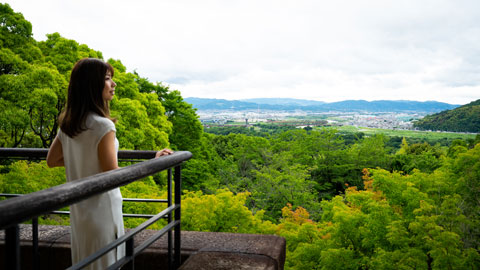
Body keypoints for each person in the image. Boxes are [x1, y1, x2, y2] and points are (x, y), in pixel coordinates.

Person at [46, 58, 172, 269]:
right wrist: (152, 163)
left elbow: (53, 160)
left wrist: (84, 163)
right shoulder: (103, 125)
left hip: (80, 211)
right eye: (107, 79)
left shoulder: (69, 124)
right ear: (91, 85)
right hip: (103, 210)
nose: (113, 84)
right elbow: (112, 174)